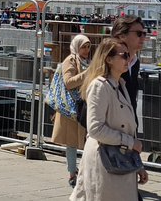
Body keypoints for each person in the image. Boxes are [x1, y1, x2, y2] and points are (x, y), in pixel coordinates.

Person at [69, 37, 147, 201]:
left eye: (129, 55)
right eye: (123, 55)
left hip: (120, 163)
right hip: (104, 162)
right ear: (108, 59)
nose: (128, 59)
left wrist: (137, 165)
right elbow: (96, 129)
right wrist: (131, 143)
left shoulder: (121, 85)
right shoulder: (100, 86)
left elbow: (128, 128)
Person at [51, 34, 92, 188]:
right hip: (71, 108)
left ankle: (82, 172)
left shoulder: (87, 61)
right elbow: (68, 83)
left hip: (83, 105)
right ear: (76, 46)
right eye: (84, 46)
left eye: (88, 46)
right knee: (72, 142)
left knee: (84, 139)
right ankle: (72, 174)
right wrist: (88, 74)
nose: (87, 50)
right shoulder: (71, 60)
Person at [110, 15, 146, 125]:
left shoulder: (135, 63)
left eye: (144, 33)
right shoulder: (109, 64)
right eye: (138, 34)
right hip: (112, 133)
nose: (143, 37)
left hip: (129, 130)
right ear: (121, 36)